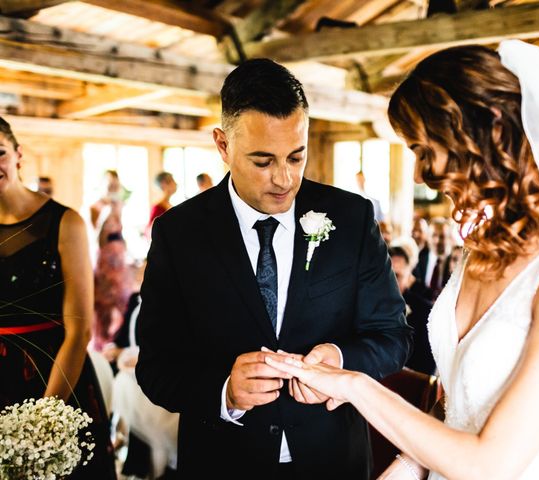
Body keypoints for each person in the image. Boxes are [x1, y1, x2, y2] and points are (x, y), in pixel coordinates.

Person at [264, 40, 539, 479]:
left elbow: (489, 464)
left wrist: (354, 385)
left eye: (425, 149)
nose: (422, 173)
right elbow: (454, 411)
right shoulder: (482, 249)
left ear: (490, 128)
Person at [135, 58, 412, 478]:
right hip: (223, 462)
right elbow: (156, 367)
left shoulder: (352, 218)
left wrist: (340, 358)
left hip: (333, 459)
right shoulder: (178, 233)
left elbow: (394, 337)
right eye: (263, 161)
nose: (284, 179)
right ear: (223, 145)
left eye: (296, 157)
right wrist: (224, 390)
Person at [0, 117, 116, 479]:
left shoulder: (65, 223)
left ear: (17, 155)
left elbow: (79, 330)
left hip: (53, 373)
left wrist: (44, 418)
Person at [90, 169, 132, 352]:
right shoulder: (96, 207)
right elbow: (96, 237)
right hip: (104, 260)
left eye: (115, 185)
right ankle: (101, 343)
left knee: (122, 301)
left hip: (119, 260)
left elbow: (119, 232)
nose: (113, 188)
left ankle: (117, 341)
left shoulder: (119, 204)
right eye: (110, 185)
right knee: (104, 304)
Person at [388, 245, 436, 376]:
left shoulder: (425, 311)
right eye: (387, 275)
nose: (390, 282)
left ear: (409, 277)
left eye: (397, 276)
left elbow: (426, 366)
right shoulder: (366, 303)